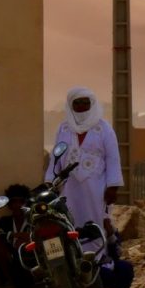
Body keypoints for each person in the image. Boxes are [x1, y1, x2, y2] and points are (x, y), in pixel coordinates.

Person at [50, 86, 122, 239]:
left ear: (92, 104)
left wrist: (112, 187)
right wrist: (50, 182)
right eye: (77, 103)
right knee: (68, 221)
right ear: (71, 105)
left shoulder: (104, 129)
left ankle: (96, 259)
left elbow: (113, 158)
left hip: (96, 187)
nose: (81, 106)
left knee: (95, 224)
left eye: (85, 102)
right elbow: (55, 157)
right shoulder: (63, 128)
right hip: (68, 186)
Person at [0, 183, 40, 288]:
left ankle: (38, 279)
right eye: (14, 202)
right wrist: (15, 235)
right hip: (12, 263)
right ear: (9, 205)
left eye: (21, 202)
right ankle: (9, 280)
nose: (18, 205)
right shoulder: (5, 221)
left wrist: (29, 238)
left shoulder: (34, 222)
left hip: (31, 262)